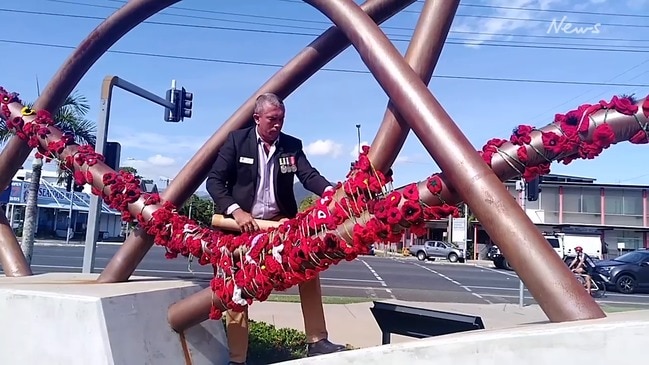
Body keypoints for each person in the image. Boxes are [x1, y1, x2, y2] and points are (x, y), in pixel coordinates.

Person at [206, 92, 346, 365]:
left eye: (281, 119)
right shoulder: (237, 141)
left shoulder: (291, 146)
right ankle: (237, 359)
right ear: (257, 118)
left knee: (308, 265)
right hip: (240, 230)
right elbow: (215, 182)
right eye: (272, 119)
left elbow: (309, 176)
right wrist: (236, 210)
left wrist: (332, 192)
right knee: (237, 288)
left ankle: (317, 341)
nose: (278, 125)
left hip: (279, 226)